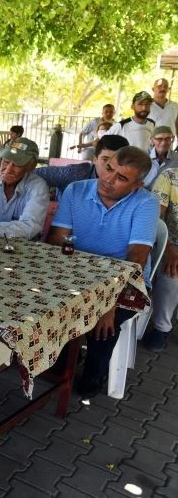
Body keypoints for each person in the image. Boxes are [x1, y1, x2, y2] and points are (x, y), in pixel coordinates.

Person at [47, 147, 159, 398]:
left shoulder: (146, 202)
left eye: (121, 178)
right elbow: (57, 242)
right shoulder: (76, 190)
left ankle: (94, 374)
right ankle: (64, 360)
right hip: (77, 274)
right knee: (50, 304)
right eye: (109, 168)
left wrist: (108, 303)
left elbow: (136, 259)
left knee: (103, 320)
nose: (108, 179)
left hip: (128, 281)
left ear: (137, 185)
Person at [36, 134, 129, 199]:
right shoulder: (75, 173)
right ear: (95, 159)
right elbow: (33, 174)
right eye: (105, 159)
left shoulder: (129, 182)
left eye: (117, 162)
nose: (110, 166)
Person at [146, 165, 178, 351]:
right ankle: (162, 327)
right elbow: (156, 217)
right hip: (171, 243)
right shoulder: (170, 176)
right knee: (171, 272)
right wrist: (170, 247)